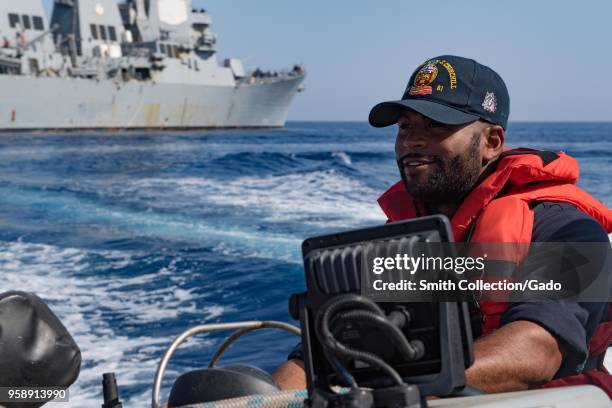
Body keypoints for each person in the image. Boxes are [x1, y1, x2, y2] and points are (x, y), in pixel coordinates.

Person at [271, 55, 612, 396]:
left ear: (492, 142)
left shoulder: (569, 231)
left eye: (436, 125)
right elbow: (322, 355)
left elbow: (536, 352)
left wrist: (386, 389)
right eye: (405, 126)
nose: (412, 141)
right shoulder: (404, 240)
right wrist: (269, 398)